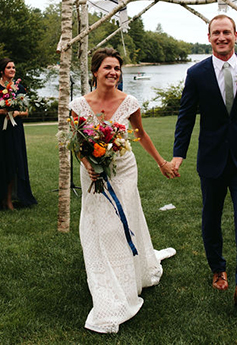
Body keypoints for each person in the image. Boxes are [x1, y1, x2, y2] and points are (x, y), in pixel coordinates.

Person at [171, 15, 237, 307]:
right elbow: (186, 116)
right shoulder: (196, 73)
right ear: (209, 37)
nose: (221, 37)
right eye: (216, 32)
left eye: (226, 32)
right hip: (212, 158)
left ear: (235, 35)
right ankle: (218, 268)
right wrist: (179, 154)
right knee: (211, 217)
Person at [68, 47, 176, 334]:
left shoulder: (130, 102)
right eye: (108, 67)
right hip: (93, 171)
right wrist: (87, 164)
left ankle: (129, 275)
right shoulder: (79, 105)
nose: (113, 72)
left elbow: (140, 134)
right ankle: (105, 274)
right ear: (95, 72)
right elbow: (76, 143)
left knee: (121, 221)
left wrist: (161, 162)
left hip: (124, 170)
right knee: (100, 224)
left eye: (117, 68)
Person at [0, 57, 37, 214]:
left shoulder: (20, 88)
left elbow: (26, 111)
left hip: (15, 129)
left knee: (14, 163)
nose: (12, 70)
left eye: (13, 67)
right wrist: (2, 111)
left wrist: (17, 113)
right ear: (2, 71)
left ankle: (9, 200)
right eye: (9, 67)